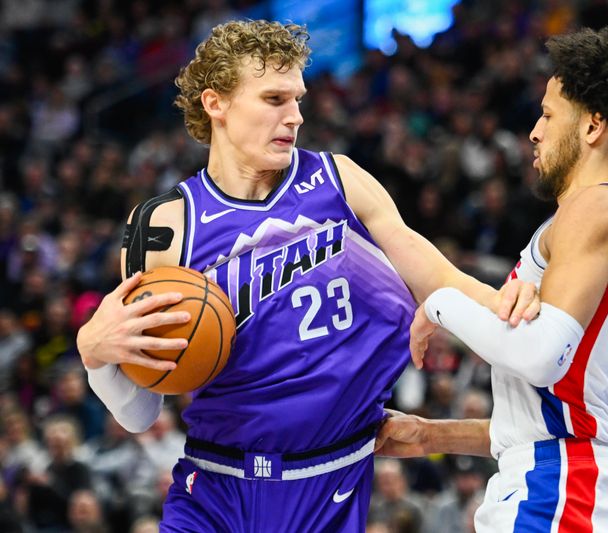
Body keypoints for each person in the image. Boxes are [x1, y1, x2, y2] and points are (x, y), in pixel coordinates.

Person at [75, 20, 537, 533]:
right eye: (274, 98)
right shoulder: (164, 228)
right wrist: (96, 356)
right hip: (213, 488)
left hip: (330, 483)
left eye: (298, 99)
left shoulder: (339, 180)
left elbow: (439, 277)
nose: (294, 116)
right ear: (216, 104)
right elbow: (140, 413)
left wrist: (514, 303)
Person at [376, 26, 608, 532]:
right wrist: (432, 436)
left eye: (547, 115)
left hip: (562, 491)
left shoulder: (601, 205)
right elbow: (552, 414)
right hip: (564, 484)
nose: (534, 132)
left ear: (593, 127)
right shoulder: (589, 219)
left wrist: (439, 309)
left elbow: (538, 356)